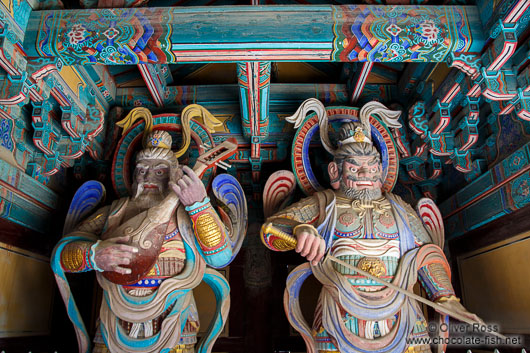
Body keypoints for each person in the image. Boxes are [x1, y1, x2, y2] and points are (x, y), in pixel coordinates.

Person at [261, 113, 481, 353]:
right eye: (355, 167)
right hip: (339, 311)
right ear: (336, 172)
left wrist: (446, 297)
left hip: (402, 313)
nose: (366, 174)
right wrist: (301, 228)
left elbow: (427, 255)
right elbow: (271, 230)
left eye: (372, 167)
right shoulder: (324, 203)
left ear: (381, 170)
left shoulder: (399, 208)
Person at [53, 129, 232, 353]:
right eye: (141, 170)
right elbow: (62, 255)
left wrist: (199, 206)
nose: (148, 178)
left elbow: (221, 256)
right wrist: (94, 255)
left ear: (173, 176)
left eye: (159, 172)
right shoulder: (114, 213)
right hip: (114, 321)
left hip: (175, 321)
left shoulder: (187, 215)